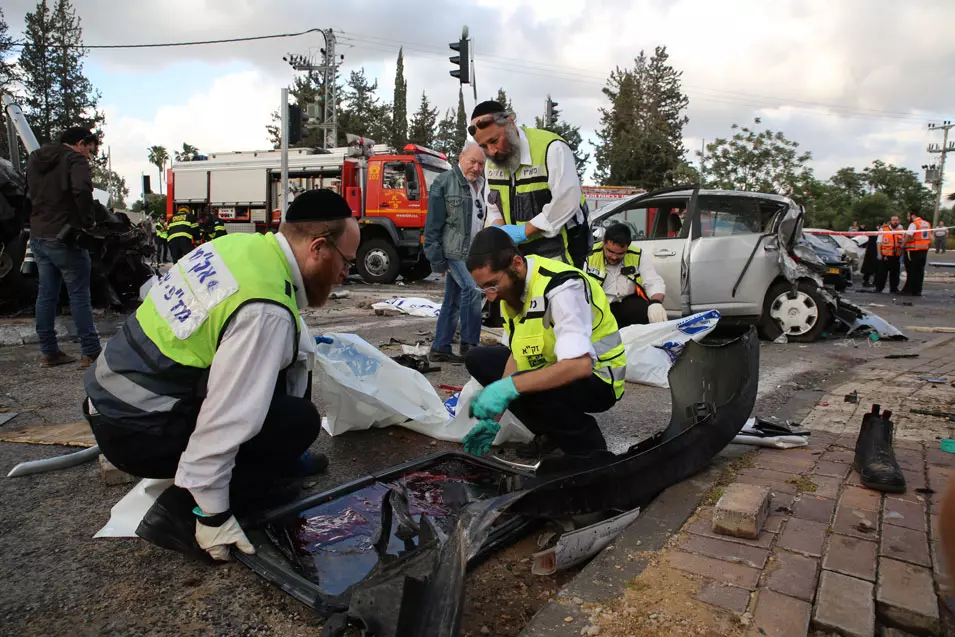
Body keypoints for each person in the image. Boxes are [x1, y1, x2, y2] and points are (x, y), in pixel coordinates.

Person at [82, 189, 359, 562]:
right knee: (298, 421)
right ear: (318, 248)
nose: (346, 274)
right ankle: (181, 510)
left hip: (115, 403)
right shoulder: (264, 309)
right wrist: (213, 511)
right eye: (346, 261)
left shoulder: (243, 250)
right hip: (138, 429)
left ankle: (273, 465)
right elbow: (227, 416)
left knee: (289, 363)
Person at [461, 227, 626, 459]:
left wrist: (510, 387)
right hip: (556, 365)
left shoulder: (561, 286)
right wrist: (493, 418)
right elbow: (517, 357)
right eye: (484, 288)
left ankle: (587, 445)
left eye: (492, 284)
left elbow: (579, 365)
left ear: (516, 264)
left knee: (523, 384)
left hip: (599, 378)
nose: (490, 296)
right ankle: (551, 434)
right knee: (480, 360)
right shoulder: (511, 292)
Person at [468, 100, 590, 268]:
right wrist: (500, 232)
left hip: (561, 254)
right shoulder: (492, 164)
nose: (491, 151)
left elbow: (566, 201)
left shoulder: (552, 148)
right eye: (483, 146)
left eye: (494, 140)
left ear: (510, 123)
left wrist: (525, 231)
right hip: (519, 258)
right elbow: (493, 205)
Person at [26, 126, 102, 368]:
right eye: (90, 150)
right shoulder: (75, 160)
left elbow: (28, 192)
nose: (89, 156)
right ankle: (90, 352)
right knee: (79, 294)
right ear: (81, 143)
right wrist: (88, 220)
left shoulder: (36, 159)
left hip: (38, 235)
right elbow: (81, 190)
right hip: (64, 236)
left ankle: (49, 351)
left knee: (46, 294)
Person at [424, 143, 486, 363]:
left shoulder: (483, 184)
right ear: (461, 157)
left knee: (452, 299)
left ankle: (440, 348)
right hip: (455, 251)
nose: (477, 168)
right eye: (472, 162)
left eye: (481, 163)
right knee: (472, 290)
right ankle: (470, 346)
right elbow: (433, 225)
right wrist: (437, 260)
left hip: (475, 253)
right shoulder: (444, 182)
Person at [585, 222, 667, 327]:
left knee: (646, 311)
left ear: (627, 247)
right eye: (610, 251)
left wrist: (656, 303)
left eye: (620, 254)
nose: (614, 257)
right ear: (604, 242)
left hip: (627, 304)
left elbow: (653, 282)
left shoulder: (637, 254)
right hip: (598, 307)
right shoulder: (589, 255)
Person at [900, 209, 931, 296]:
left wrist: (902, 244)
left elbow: (909, 235)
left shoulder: (914, 224)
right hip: (923, 250)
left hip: (913, 250)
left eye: (908, 216)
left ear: (913, 215)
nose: (907, 218)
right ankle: (917, 290)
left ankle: (909, 290)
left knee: (911, 271)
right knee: (920, 271)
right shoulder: (927, 223)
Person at [875, 216, 902, 294]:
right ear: (890, 221)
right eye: (893, 220)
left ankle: (894, 289)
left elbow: (902, 242)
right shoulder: (883, 229)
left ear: (899, 221)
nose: (895, 222)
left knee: (895, 274)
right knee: (882, 274)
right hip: (885, 256)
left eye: (896, 220)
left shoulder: (901, 230)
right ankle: (879, 288)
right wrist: (879, 254)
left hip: (896, 256)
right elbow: (879, 242)